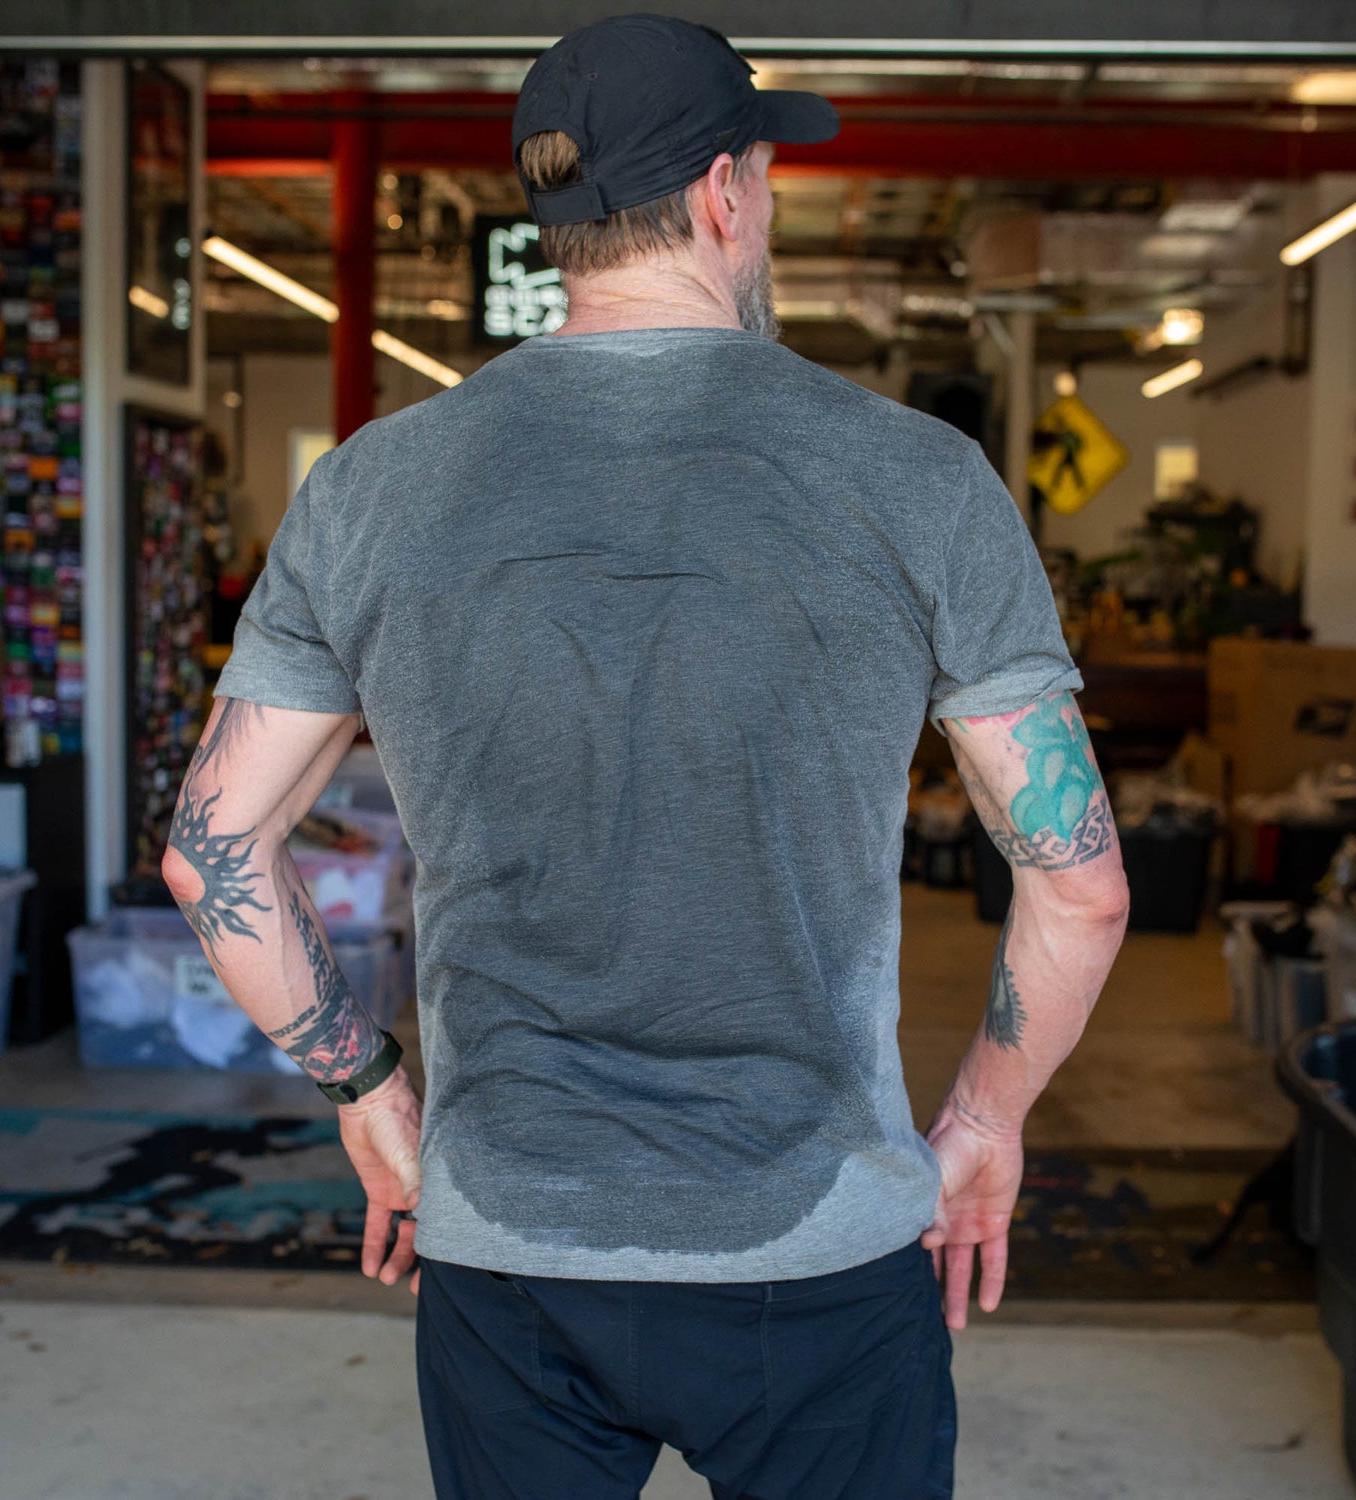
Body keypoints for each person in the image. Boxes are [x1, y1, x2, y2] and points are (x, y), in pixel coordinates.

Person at [161, 14, 1129, 1498]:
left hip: (508, 1256)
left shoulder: (368, 491)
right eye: (767, 178)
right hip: (819, 1258)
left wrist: (369, 1093)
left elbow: (209, 849)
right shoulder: (918, 480)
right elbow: (1082, 886)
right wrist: (985, 1120)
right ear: (727, 193)